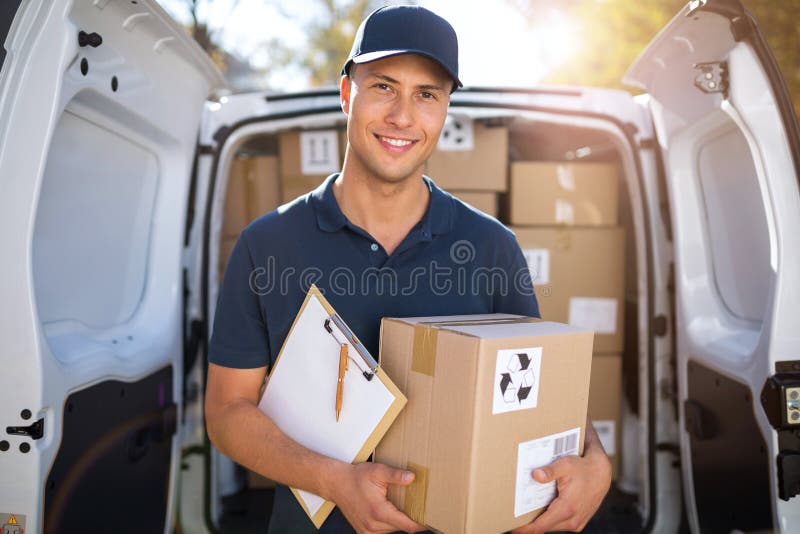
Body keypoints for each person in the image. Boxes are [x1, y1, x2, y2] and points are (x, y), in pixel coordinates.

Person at [205, 5, 611, 534]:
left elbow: (538, 388)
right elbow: (227, 413)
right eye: (384, 87)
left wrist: (596, 461)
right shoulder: (267, 245)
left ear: (444, 111)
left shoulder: (491, 247)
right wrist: (335, 482)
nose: (403, 116)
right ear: (347, 93)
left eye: (427, 95)